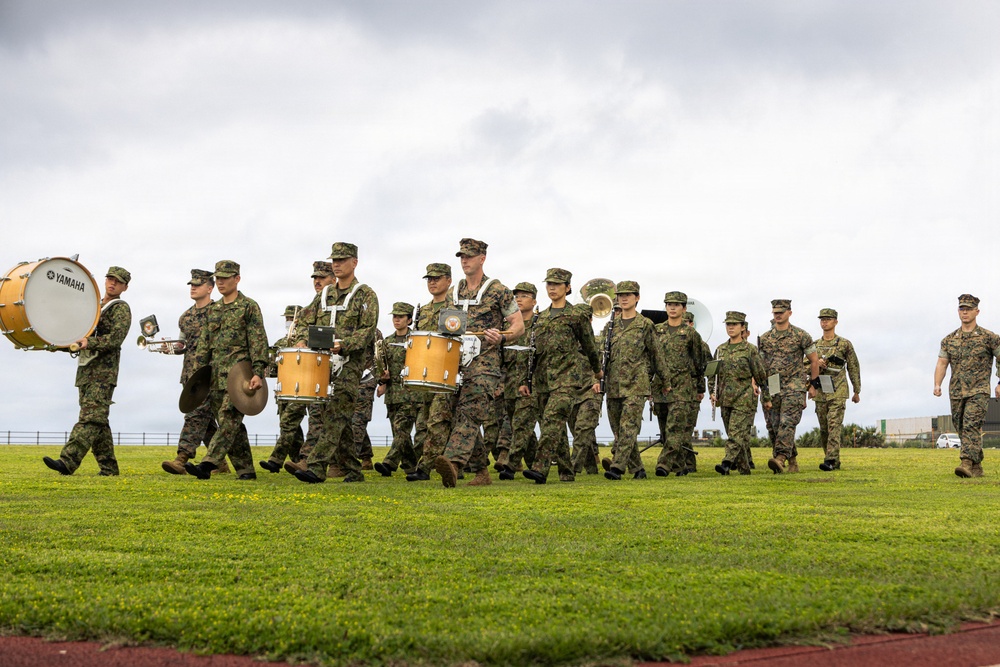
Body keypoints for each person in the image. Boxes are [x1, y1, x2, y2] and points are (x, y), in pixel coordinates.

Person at [434, 238, 523, 487]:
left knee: (471, 411)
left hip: (486, 361)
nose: (464, 260)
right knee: (456, 412)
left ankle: (452, 462)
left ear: (482, 258)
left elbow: (518, 326)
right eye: (461, 256)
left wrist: (501, 336)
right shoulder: (454, 292)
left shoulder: (498, 290)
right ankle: (481, 472)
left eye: (470, 256)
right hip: (456, 361)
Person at [287, 242, 379, 484]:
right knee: (340, 417)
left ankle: (316, 467)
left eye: (342, 260)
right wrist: (299, 341)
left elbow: (367, 331)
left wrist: (343, 343)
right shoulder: (324, 295)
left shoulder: (365, 295)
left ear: (354, 263)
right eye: (334, 260)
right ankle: (353, 469)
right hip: (322, 364)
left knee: (336, 412)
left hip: (350, 364)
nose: (336, 264)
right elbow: (303, 321)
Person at [182, 260, 269, 481]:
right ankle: (245, 470)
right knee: (231, 425)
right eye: (218, 278)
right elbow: (204, 345)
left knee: (229, 417)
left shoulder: (248, 306)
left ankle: (208, 463)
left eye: (225, 278)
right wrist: (197, 376)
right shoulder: (214, 310)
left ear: (237, 279)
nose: (220, 282)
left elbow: (258, 341)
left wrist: (258, 372)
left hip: (240, 376)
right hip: (215, 377)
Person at [44, 267, 132, 476]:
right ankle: (109, 469)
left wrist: (88, 342)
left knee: (91, 418)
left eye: (117, 282)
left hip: (103, 373)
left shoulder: (120, 308)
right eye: (110, 279)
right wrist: (56, 343)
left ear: (125, 287)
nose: (112, 283)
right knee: (98, 420)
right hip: (86, 371)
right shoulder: (94, 307)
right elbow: (77, 335)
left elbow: (115, 339)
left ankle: (68, 461)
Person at [519, 268, 601, 484]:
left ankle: (539, 468)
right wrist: (525, 381)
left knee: (552, 420)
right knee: (554, 427)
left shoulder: (576, 316)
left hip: (567, 379)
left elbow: (590, 346)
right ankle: (567, 469)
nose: (552, 288)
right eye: (549, 284)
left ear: (568, 287)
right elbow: (532, 353)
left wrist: (597, 371)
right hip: (543, 380)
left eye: (557, 284)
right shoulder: (540, 318)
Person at [600, 281, 671, 481]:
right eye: (620, 295)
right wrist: (597, 378)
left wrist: (665, 381)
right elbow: (602, 356)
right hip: (613, 384)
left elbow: (657, 355)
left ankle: (617, 467)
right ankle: (638, 469)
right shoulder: (610, 326)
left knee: (628, 427)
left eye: (628, 295)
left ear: (637, 298)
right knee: (618, 430)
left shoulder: (645, 325)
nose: (623, 298)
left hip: (636, 383)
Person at [162, 269, 226, 475]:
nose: (193, 288)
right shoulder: (186, 317)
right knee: (205, 421)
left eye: (198, 284)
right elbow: (183, 345)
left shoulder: (220, 312)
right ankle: (219, 462)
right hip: (190, 375)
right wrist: (171, 348)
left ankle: (182, 458)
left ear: (210, 288)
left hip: (211, 375)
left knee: (196, 415)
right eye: (191, 284)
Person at [933, 294, 1000, 478]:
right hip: (956, 391)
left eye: (969, 309)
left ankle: (966, 463)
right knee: (961, 427)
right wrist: (937, 384)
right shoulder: (949, 339)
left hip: (979, 391)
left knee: (971, 424)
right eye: (962, 309)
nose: (965, 312)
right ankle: (977, 466)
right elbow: (942, 363)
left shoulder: (989, 338)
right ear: (958, 312)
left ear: (977, 311)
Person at [406, 263, 457, 482]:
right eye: (429, 279)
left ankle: (424, 468)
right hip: (425, 375)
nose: (432, 282)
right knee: (428, 421)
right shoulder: (423, 310)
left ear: (449, 281)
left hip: (446, 374)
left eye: (437, 278)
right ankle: (470, 463)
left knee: (438, 420)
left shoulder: (455, 310)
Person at [758, 299, 819, 474]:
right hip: (772, 387)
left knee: (787, 423)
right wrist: (757, 384)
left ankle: (780, 458)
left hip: (795, 386)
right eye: (775, 312)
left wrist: (813, 386)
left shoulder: (801, 336)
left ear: (789, 313)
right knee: (774, 426)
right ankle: (792, 460)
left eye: (781, 312)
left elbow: (814, 361)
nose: (777, 315)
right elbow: (759, 364)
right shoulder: (765, 338)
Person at [650, 291, 707, 477]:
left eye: (676, 304)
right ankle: (680, 465)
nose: (672, 307)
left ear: (684, 308)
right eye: (669, 304)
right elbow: (651, 360)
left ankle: (664, 464)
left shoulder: (691, 334)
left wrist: (700, 388)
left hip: (683, 388)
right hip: (660, 387)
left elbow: (700, 364)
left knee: (675, 428)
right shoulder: (656, 331)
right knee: (666, 430)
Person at [710, 311, 771, 475]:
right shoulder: (720, 349)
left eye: (734, 324)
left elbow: (761, 376)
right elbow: (713, 374)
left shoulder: (750, 350)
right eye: (728, 324)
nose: (730, 327)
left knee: (736, 434)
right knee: (738, 437)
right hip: (725, 399)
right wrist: (712, 393)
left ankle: (726, 463)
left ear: (742, 327)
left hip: (744, 399)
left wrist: (766, 398)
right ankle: (745, 469)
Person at [495, 282, 540, 479]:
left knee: (522, 423)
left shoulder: (540, 324)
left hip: (531, 384)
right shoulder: (508, 327)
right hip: (509, 383)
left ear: (534, 300)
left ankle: (510, 466)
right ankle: (537, 464)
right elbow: (500, 357)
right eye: (516, 296)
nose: (519, 299)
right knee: (520, 426)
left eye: (524, 295)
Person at [375, 302, 422, 476]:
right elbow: (379, 365)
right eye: (395, 316)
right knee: (400, 433)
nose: (397, 320)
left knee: (402, 429)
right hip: (393, 395)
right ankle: (411, 466)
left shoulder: (417, 341)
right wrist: (382, 379)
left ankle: (389, 463)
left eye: (401, 317)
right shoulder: (386, 342)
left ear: (409, 319)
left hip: (411, 394)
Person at [259, 304, 307, 473]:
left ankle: (276, 460)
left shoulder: (306, 342)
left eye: (291, 319)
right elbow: (272, 366)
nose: (289, 322)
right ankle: (297, 460)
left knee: (288, 423)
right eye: (287, 319)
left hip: (301, 388)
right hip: (283, 389)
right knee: (290, 426)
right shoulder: (281, 342)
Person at [814, 308, 862, 472]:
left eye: (828, 319)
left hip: (838, 391)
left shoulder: (844, 344)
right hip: (821, 392)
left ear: (835, 321)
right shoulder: (814, 345)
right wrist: (816, 364)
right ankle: (834, 460)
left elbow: (853, 367)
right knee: (824, 429)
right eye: (822, 319)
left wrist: (857, 390)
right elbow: (805, 367)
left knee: (834, 426)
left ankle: (830, 460)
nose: (824, 322)